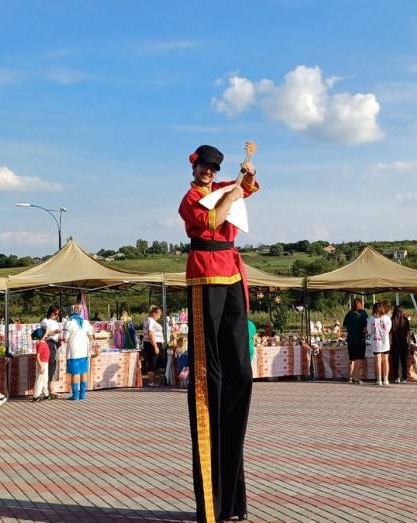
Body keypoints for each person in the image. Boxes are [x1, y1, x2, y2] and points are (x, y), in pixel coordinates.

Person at [179, 143, 258, 522]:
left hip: (232, 273)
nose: (208, 172)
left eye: (213, 167)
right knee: (208, 376)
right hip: (205, 274)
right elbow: (213, 221)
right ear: (194, 168)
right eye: (204, 167)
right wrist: (232, 194)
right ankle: (212, 503)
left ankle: (232, 501)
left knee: (240, 373)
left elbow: (248, 187)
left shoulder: (224, 186)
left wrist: (248, 176)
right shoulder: (190, 199)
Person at [64, 304, 95, 400]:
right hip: (84, 351)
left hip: (74, 351)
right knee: (83, 372)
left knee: (75, 373)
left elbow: (65, 338)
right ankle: (82, 394)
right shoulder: (85, 322)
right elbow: (91, 336)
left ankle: (75, 395)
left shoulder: (69, 323)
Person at [343, 299, 368, 384]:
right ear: (360, 305)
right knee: (359, 359)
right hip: (360, 339)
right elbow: (366, 327)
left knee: (352, 359)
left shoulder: (348, 314)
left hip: (351, 339)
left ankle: (351, 377)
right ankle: (355, 377)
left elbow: (345, 325)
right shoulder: (362, 314)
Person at [41, 305, 62, 397]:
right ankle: (49, 390)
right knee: (50, 365)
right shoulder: (45, 321)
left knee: (54, 366)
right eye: (55, 313)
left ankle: (51, 390)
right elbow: (43, 334)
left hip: (55, 344)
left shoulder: (55, 322)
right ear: (51, 312)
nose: (56, 315)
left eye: (57, 314)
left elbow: (56, 334)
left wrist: (60, 338)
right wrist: (54, 332)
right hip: (48, 343)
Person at [369, 302, 391, 386]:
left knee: (377, 360)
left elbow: (369, 330)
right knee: (385, 360)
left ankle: (379, 380)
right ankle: (386, 379)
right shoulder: (387, 318)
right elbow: (388, 330)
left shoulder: (371, 318)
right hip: (385, 342)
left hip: (376, 342)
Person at [143, 306, 166, 387]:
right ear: (154, 313)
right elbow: (151, 334)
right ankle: (151, 382)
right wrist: (155, 346)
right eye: (159, 314)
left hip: (149, 343)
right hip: (152, 343)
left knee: (151, 362)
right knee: (152, 363)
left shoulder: (147, 320)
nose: (159, 316)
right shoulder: (151, 321)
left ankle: (151, 382)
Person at [389, 305, 411, 384]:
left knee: (395, 361)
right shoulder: (405, 320)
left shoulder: (392, 320)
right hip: (403, 342)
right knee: (404, 361)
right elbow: (408, 333)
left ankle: (396, 377)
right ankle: (404, 378)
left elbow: (390, 333)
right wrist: (409, 342)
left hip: (394, 343)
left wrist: (390, 342)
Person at [32, 327, 51, 402]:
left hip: (45, 363)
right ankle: (36, 396)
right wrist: (41, 366)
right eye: (45, 333)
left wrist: (47, 330)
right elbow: (37, 356)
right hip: (42, 363)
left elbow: (45, 334)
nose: (46, 334)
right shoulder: (41, 344)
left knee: (44, 379)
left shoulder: (41, 342)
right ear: (42, 335)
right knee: (40, 380)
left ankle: (46, 394)